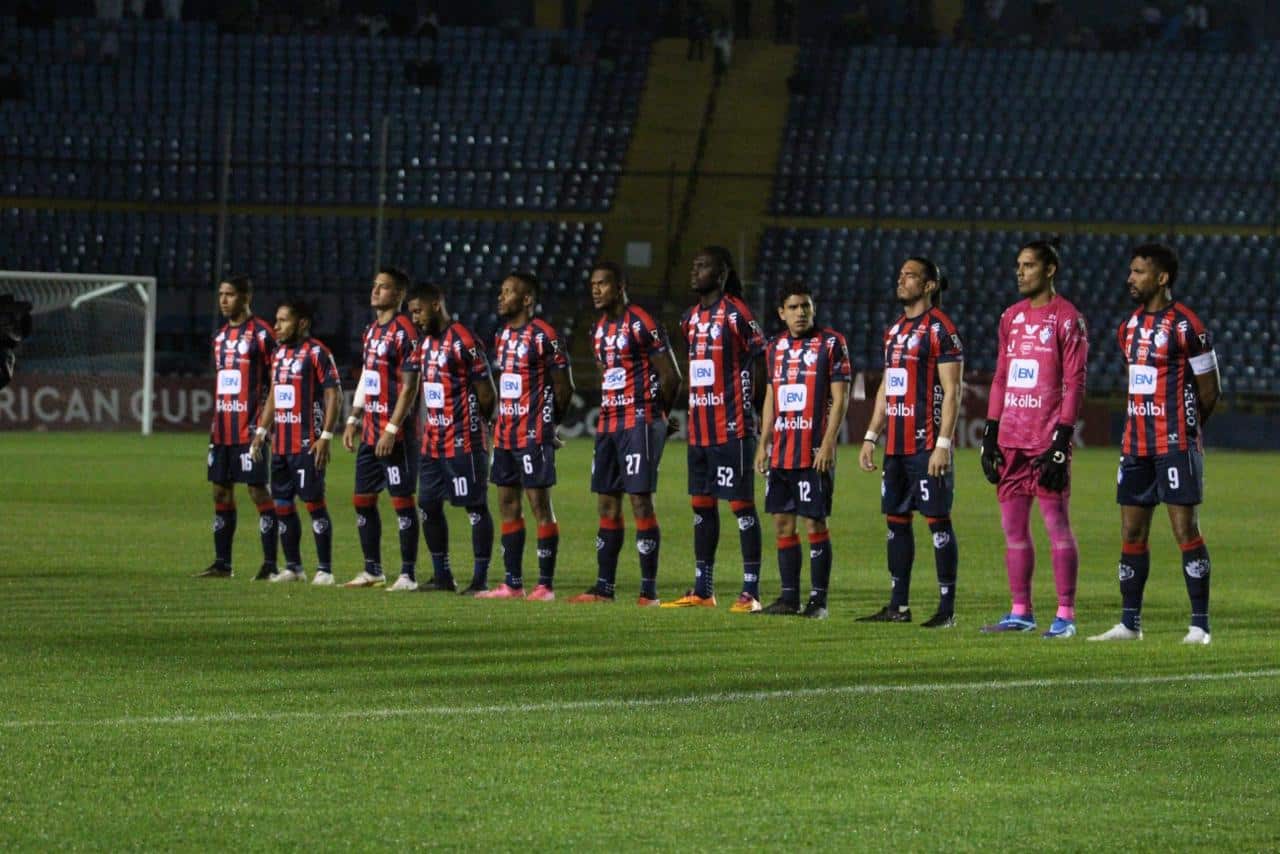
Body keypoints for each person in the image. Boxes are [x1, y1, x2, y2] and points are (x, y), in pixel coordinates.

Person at [1090, 244, 1221, 645]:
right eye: (1131, 271)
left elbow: (1210, 390)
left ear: (1161, 278)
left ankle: (1199, 626)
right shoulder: (1126, 328)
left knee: (1186, 530)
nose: (1130, 278)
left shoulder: (1187, 326)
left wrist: (1186, 430)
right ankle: (1130, 623)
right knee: (1132, 531)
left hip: (1176, 442)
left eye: (1139, 272)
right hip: (1135, 445)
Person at [979, 241, 1089, 638]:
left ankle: (1065, 615)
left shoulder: (1067, 319)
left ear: (1050, 270)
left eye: (1028, 266)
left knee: (1056, 525)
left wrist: (1062, 440)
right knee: (1013, 530)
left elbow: (1075, 383)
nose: (1020, 272)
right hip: (1011, 439)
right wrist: (990, 434)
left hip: (1045, 441)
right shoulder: (1010, 317)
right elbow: (1000, 377)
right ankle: (1020, 611)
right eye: (1018, 265)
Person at [858, 257, 963, 628]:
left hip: (926, 444)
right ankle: (898, 606)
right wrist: (872, 435)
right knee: (896, 522)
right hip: (897, 449)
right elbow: (888, 387)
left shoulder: (941, 329)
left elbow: (952, 391)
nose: (901, 281)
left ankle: (946, 610)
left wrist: (943, 444)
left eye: (911, 276)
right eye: (900, 274)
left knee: (937, 522)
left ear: (930, 285)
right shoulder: (894, 332)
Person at [569, 262, 682, 605]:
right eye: (592, 285)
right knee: (606, 501)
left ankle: (648, 591)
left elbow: (672, 376)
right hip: (607, 424)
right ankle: (604, 588)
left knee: (639, 501)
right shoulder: (598, 330)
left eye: (602, 284)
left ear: (620, 286)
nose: (595, 290)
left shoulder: (642, 323)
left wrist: (657, 416)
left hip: (639, 421)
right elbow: (609, 375)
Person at [664, 247, 767, 613]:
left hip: (733, 428)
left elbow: (761, 359)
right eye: (693, 264)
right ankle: (703, 589)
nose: (695, 270)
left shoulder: (736, 312)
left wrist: (756, 411)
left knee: (741, 507)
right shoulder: (688, 319)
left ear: (722, 273)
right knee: (701, 507)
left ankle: (750, 592)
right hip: (700, 431)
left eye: (703, 265)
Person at [753, 281, 850, 618]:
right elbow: (771, 397)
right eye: (793, 307)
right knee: (782, 524)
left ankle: (818, 601)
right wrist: (763, 443)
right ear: (781, 313)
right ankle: (788, 598)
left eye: (805, 306)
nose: (800, 313)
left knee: (814, 524)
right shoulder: (773, 347)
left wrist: (828, 443)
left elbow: (840, 399)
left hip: (812, 452)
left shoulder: (832, 344)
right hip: (780, 451)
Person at [476, 272, 573, 601]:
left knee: (538, 505)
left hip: (533, 434)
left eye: (508, 292)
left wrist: (550, 426)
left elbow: (564, 387)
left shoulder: (545, 335)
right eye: (501, 291)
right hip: (505, 434)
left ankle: (544, 585)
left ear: (527, 299)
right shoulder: (502, 336)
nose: (501, 297)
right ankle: (512, 583)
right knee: (506, 504)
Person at [408, 282, 498, 596]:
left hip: (464, 440)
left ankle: (480, 578)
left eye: (418, 311)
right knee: (428, 505)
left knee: (474, 507)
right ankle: (442, 575)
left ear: (436, 304)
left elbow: (487, 394)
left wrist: (480, 427)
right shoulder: (423, 345)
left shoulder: (464, 340)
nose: (415, 318)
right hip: (432, 441)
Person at [248, 299, 342, 584]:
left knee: (313, 503)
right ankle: (294, 567)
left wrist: (325, 436)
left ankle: (324, 569)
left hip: (307, 444)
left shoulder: (317, 353)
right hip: (282, 445)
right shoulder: (278, 355)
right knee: (283, 505)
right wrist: (262, 432)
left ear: (302, 323)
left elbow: (333, 395)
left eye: (283, 320)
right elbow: (276, 394)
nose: (276, 326)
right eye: (275, 320)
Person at [341, 267, 421, 590]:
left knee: (401, 501)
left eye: (384, 287)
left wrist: (391, 428)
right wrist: (353, 417)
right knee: (362, 500)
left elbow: (409, 387)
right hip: (370, 431)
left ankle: (408, 574)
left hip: (396, 434)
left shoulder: (406, 331)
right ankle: (372, 569)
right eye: (375, 285)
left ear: (399, 295)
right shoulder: (371, 331)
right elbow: (367, 377)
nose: (376, 291)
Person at [196, 275, 278, 580]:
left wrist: (265, 425)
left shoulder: (262, 334)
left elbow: (276, 379)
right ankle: (222, 564)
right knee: (220, 492)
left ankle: (270, 564)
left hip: (250, 429)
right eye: (220, 295)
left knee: (258, 491)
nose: (223, 300)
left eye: (230, 294)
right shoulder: (219, 338)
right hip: (222, 430)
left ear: (246, 297)